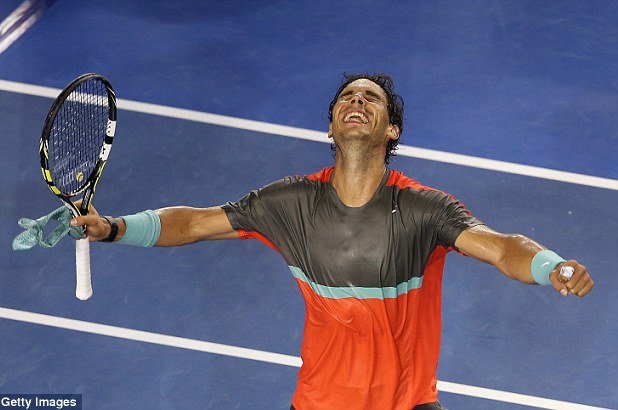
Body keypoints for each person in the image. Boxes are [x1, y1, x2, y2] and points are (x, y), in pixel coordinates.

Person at [72, 73, 594, 410]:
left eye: (373, 99)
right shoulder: (290, 204)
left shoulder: (423, 209)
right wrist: (114, 227)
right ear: (331, 127)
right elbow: (194, 222)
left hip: (407, 403)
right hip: (320, 401)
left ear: (391, 131)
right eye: (348, 96)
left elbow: (503, 247)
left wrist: (552, 267)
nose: (358, 101)